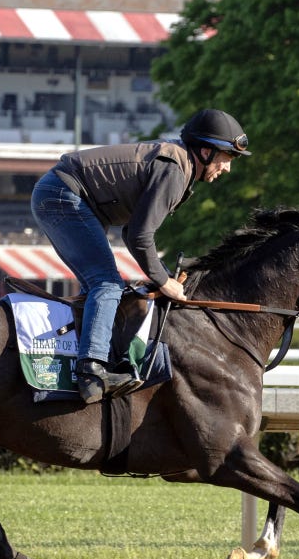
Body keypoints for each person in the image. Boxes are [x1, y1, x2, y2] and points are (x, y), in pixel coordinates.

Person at [30, 108, 251, 404]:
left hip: (64, 193)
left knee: (100, 289)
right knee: (106, 284)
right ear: (206, 151)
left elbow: (132, 232)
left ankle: (83, 356)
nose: (227, 168)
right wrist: (163, 281)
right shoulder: (174, 169)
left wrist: (159, 275)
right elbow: (139, 237)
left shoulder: (178, 165)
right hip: (63, 195)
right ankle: (92, 371)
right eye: (227, 158)